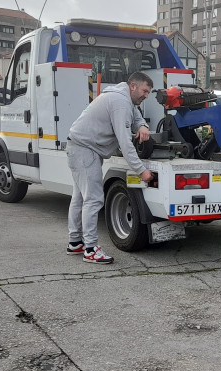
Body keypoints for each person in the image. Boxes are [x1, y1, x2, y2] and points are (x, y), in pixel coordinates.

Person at [65, 72, 155, 264]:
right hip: (85, 150)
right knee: (93, 199)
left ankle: (75, 243)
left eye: (148, 92)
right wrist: (141, 171)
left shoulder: (123, 98)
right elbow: (125, 143)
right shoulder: (120, 102)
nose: (146, 95)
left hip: (79, 147)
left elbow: (136, 115)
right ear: (133, 86)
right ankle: (90, 249)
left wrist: (142, 126)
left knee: (79, 197)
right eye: (145, 91)